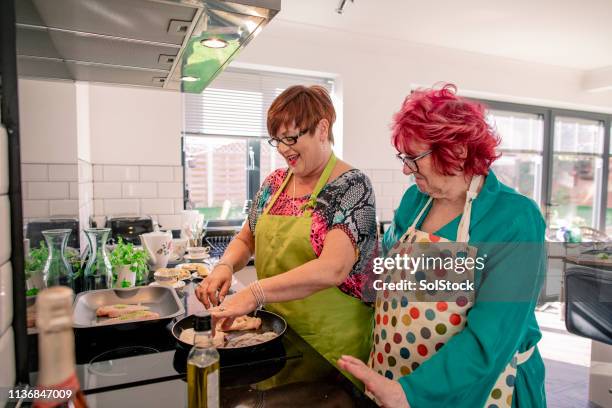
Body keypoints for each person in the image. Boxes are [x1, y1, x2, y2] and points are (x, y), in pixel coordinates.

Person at [338, 84, 546, 407]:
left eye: (414, 158)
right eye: (403, 157)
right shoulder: (415, 201)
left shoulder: (515, 220)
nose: (406, 169)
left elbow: (489, 341)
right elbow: (390, 279)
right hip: (394, 378)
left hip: (475, 388)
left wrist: (410, 393)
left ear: (459, 152)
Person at [195, 85, 377, 373]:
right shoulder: (274, 184)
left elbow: (333, 268)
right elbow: (247, 238)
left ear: (321, 128)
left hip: (332, 346)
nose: (282, 149)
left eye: (291, 138)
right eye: (276, 140)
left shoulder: (351, 186)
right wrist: (225, 266)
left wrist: (253, 294)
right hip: (274, 336)